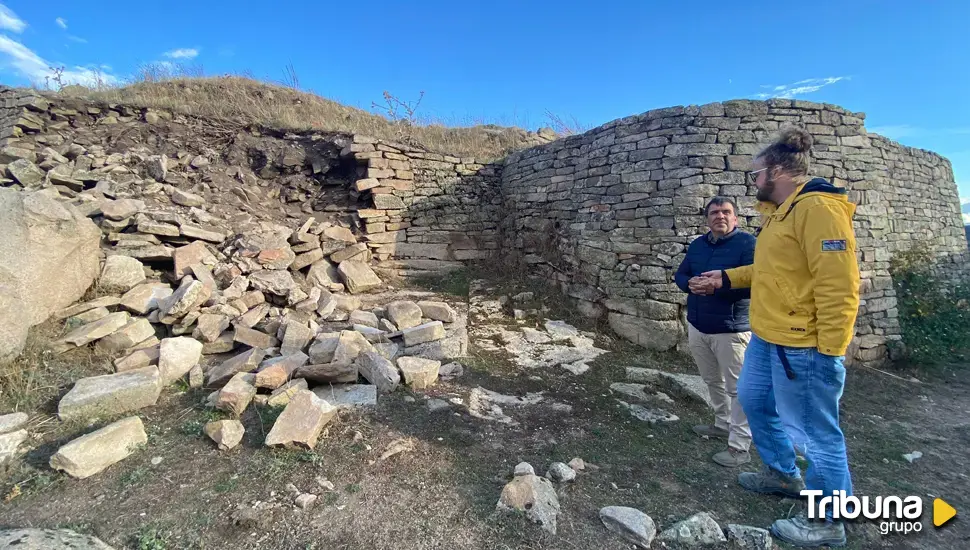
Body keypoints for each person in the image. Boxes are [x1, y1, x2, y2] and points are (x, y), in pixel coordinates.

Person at [697, 126, 860, 548]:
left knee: (816, 434)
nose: (753, 182)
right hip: (768, 337)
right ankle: (783, 474)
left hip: (803, 345)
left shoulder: (819, 209)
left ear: (776, 171)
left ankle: (828, 521)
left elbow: (839, 285)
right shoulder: (781, 213)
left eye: (756, 175)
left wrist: (830, 352)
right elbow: (772, 273)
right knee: (753, 401)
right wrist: (727, 278)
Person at [674, 197, 756, 468]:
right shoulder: (698, 244)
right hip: (698, 325)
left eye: (726, 212)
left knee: (738, 389)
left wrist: (718, 286)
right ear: (707, 218)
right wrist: (690, 285)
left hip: (731, 330)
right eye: (714, 213)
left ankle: (739, 446)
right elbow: (681, 274)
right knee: (712, 381)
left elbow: (757, 284)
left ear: (735, 218)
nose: (720, 216)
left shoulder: (748, 245)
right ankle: (722, 424)